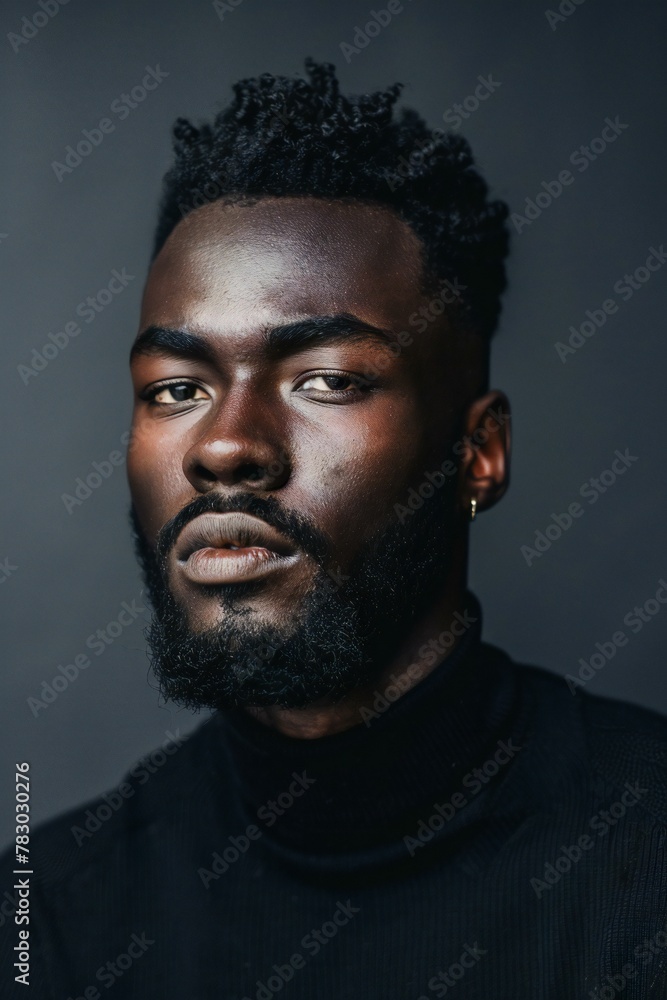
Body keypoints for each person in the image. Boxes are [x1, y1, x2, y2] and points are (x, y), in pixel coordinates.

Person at [3, 59, 666, 999]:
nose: (225, 446)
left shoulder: (640, 862)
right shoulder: (47, 919)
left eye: (326, 380)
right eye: (176, 390)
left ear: (478, 452)